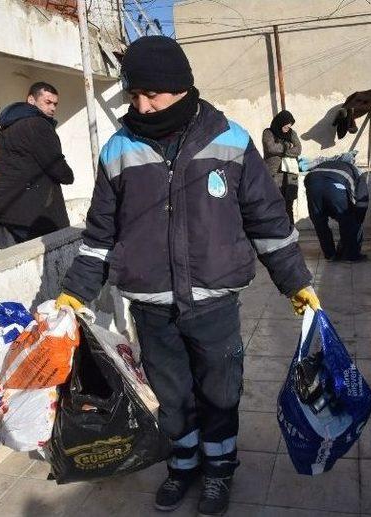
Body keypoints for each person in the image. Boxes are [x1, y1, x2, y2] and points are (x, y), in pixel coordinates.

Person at [55, 36, 320, 516]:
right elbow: (100, 232)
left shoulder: (231, 140)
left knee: (220, 393)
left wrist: (295, 280)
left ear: (181, 87)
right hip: (151, 303)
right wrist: (76, 291)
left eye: (153, 94)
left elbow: (267, 221)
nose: (142, 105)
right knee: (172, 395)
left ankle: (219, 471)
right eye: (134, 95)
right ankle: (183, 465)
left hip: (214, 301)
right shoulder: (119, 148)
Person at [0, 82, 73, 249]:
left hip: (2, 216)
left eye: (55, 104)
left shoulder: (2, 131)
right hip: (32, 217)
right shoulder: (38, 125)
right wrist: (69, 176)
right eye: (48, 102)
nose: (53, 108)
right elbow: (57, 167)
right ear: (31, 100)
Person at [304, 157, 369, 262]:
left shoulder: (326, 164)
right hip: (335, 185)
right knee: (348, 220)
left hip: (312, 181)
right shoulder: (356, 170)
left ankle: (330, 255)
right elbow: (362, 200)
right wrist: (358, 218)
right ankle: (350, 256)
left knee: (319, 221)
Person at [262, 110, 302, 224]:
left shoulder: (292, 133)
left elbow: (298, 149)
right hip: (274, 174)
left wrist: (282, 150)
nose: (288, 128)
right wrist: (288, 146)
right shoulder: (268, 133)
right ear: (280, 122)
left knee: (289, 206)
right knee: (274, 204)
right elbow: (271, 148)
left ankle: (291, 232)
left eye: (290, 125)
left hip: (290, 176)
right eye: (286, 125)